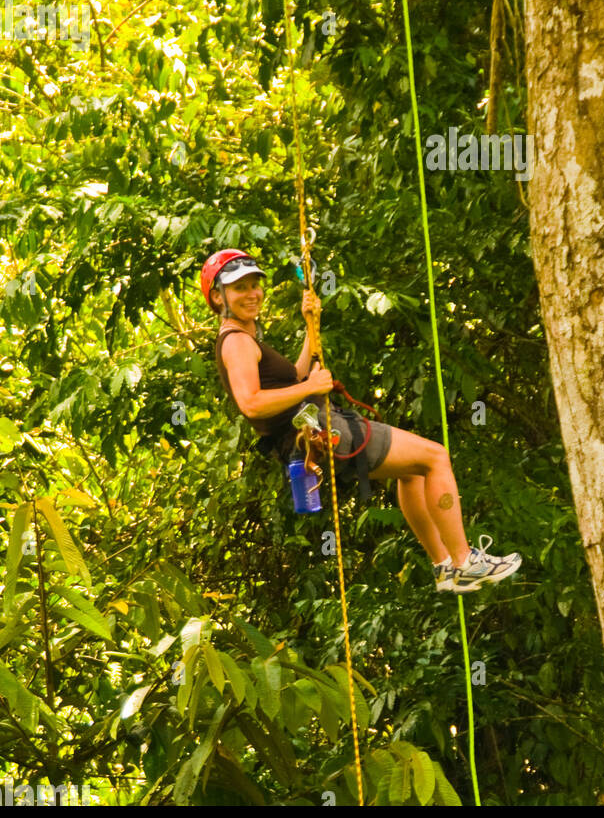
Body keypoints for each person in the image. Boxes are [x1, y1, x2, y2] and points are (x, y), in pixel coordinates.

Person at [201, 249, 521, 595]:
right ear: (218, 297)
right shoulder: (236, 342)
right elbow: (251, 403)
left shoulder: (246, 340)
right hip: (321, 431)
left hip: (317, 431)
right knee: (436, 457)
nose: (252, 294)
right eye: (239, 288)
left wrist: (311, 327)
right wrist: (311, 387)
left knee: (412, 472)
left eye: (254, 285)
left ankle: (445, 567)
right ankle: (464, 562)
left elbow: (294, 378)